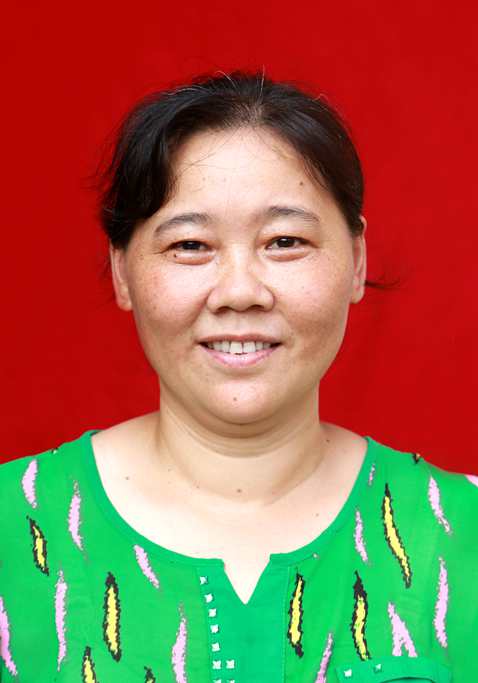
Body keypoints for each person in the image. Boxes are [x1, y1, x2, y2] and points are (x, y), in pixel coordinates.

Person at [0, 70, 476, 683]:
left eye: (284, 241)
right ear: (122, 272)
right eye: (190, 245)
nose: (240, 292)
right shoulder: (17, 529)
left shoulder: (459, 532)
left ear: (356, 261)